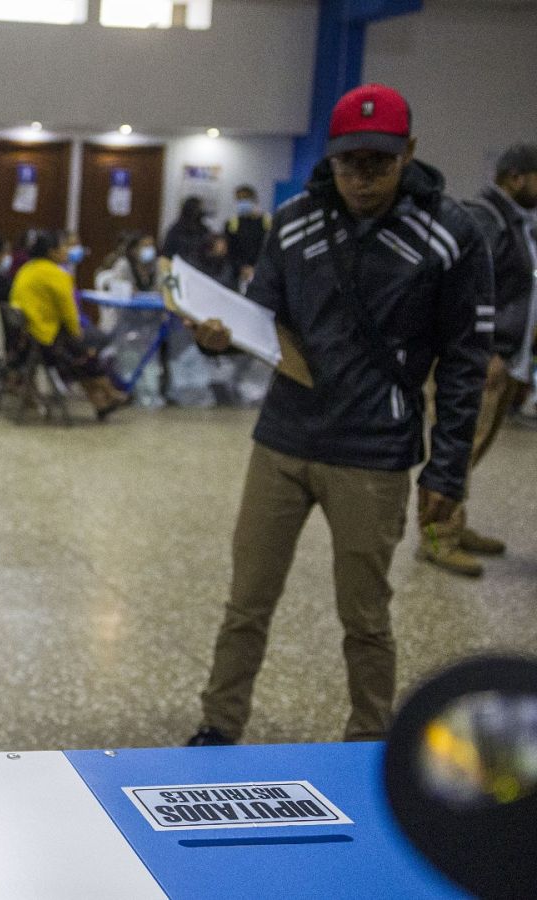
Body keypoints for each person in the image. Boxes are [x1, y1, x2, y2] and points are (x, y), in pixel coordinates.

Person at [186, 84, 490, 746]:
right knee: (247, 603)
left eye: (379, 163)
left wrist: (448, 470)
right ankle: (218, 724)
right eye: (350, 162)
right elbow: (260, 316)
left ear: (407, 153)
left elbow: (466, 362)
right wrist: (216, 335)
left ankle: (369, 737)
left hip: (374, 453)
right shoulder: (293, 222)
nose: (362, 178)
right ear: (331, 156)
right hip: (282, 442)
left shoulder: (452, 234)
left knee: (365, 614)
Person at [439, 143, 537, 573]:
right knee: (457, 448)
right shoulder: (485, 217)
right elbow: (471, 288)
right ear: (516, 177)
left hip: (507, 357)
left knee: (472, 451)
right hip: (484, 358)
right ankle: (436, 536)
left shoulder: (517, 221)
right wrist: (488, 349)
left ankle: (454, 523)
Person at [8, 229, 129, 418]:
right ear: (52, 252)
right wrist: (78, 335)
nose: (67, 250)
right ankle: (110, 392)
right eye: (64, 246)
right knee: (88, 346)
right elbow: (70, 315)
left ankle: (101, 399)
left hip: (26, 340)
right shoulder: (56, 275)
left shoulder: (28, 269)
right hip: (45, 342)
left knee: (82, 349)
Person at [224, 185, 272, 286]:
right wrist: (241, 267)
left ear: (254, 200)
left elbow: (269, 248)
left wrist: (256, 268)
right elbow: (230, 249)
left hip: (260, 272)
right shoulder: (233, 223)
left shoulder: (266, 222)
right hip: (237, 273)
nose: (242, 203)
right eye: (239, 200)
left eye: (245, 199)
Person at [162, 196, 211, 269]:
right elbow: (167, 252)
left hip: (198, 268)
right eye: (199, 208)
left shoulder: (203, 230)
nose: (201, 211)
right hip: (179, 267)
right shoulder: (177, 229)